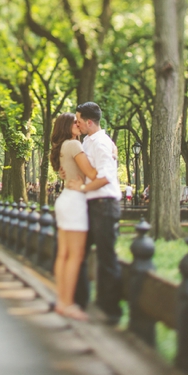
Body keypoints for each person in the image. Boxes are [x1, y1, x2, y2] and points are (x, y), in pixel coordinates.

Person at [65, 102, 123, 325]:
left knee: (106, 257)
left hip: (104, 204)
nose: (76, 122)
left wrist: (81, 188)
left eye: (79, 119)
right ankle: (80, 301)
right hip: (90, 204)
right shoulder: (87, 141)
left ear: (89, 122)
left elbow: (105, 177)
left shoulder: (101, 144)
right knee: (80, 253)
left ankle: (111, 309)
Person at [50, 113, 110, 321]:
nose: (78, 124)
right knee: (75, 256)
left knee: (63, 254)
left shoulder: (64, 146)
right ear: (66, 126)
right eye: (74, 122)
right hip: (75, 201)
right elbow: (93, 174)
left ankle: (61, 301)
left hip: (65, 199)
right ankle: (67, 304)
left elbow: (67, 170)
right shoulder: (74, 146)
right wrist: (111, 153)